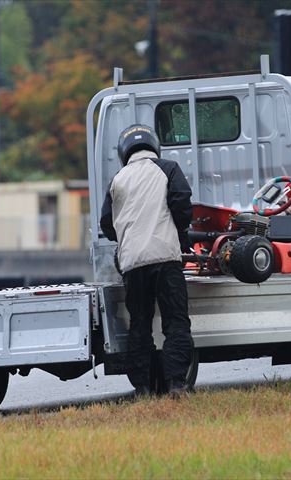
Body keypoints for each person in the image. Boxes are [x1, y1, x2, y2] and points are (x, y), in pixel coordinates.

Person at [100, 124, 194, 397]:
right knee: (175, 322)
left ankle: (142, 387)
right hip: (165, 257)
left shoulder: (117, 179)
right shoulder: (168, 168)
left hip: (132, 264)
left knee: (140, 325)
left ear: (124, 152)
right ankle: (176, 384)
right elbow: (182, 204)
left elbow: (106, 223)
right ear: (154, 146)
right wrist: (179, 232)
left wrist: (128, 236)